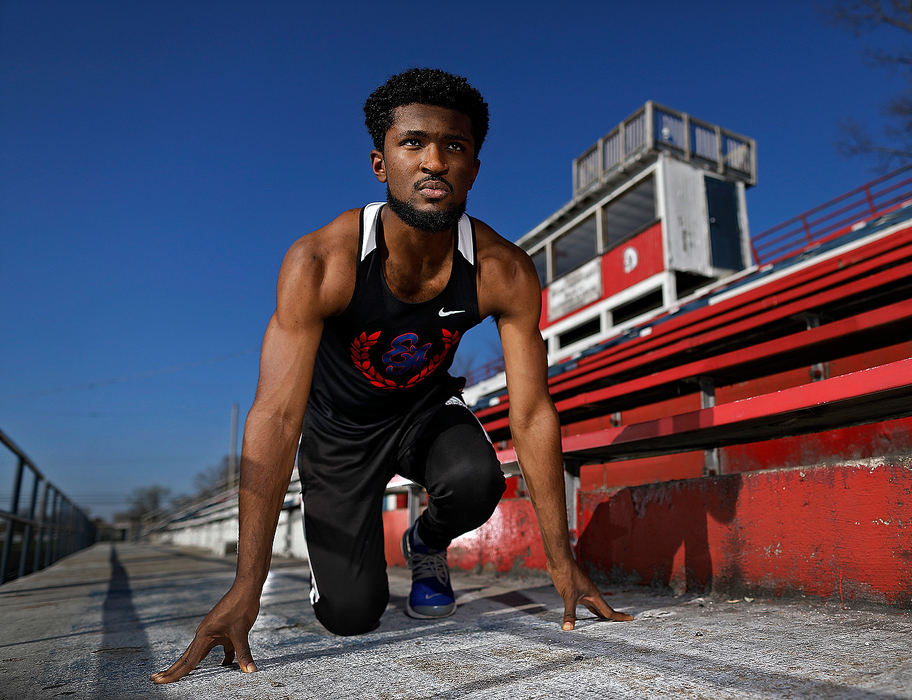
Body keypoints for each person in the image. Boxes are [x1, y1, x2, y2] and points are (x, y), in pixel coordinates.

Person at [151, 67, 633, 685]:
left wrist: (561, 563)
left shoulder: (502, 269)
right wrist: (248, 584)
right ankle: (354, 565)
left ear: (474, 168)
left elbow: (533, 412)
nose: (434, 161)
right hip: (338, 433)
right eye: (413, 143)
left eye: (453, 146)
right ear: (381, 163)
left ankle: (427, 544)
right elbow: (274, 416)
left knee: (474, 478)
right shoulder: (321, 261)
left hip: (422, 411)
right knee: (352, 617)